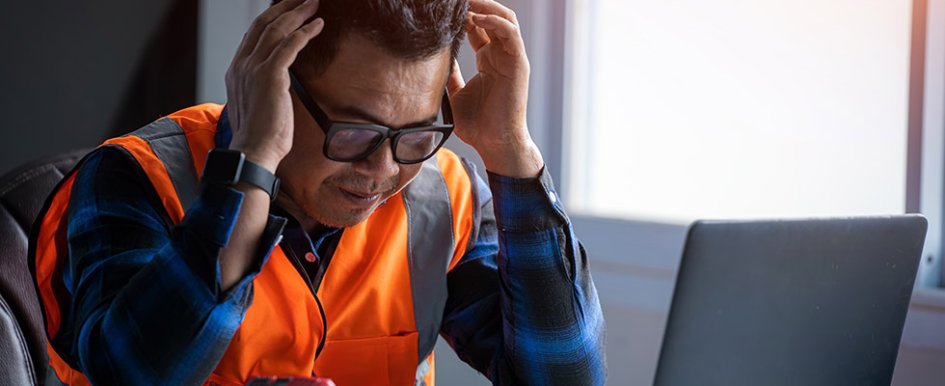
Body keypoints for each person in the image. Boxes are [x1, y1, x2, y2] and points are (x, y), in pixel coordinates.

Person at [30, 0, 606, 384]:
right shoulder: (137, 179)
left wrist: (511, 153)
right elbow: (131, 376)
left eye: (417, 134)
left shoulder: (444, 198)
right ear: (274, 86)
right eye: (354, 131)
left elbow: (563, 375)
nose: (382, 169)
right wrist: (252, 164)